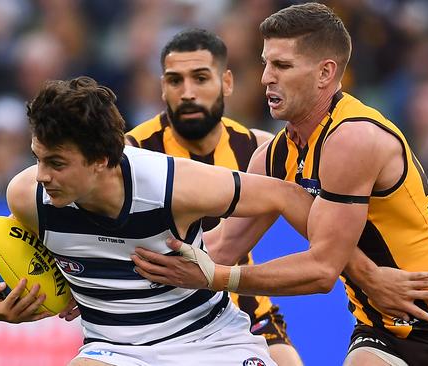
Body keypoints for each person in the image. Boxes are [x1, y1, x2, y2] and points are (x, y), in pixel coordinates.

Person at [131, 3, 428, 366]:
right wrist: (112, 281)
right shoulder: (272, 156)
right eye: (266, 63)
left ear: (325, 73)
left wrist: (219, 278)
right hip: (380, 328)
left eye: (283, 65)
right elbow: (218, 249)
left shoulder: (352, 137)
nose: (267, 77)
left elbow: (321, 269)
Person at [0, 75, 319, 366]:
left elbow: (285, 195)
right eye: (37, 158)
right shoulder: (27, 196)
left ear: (100, 160)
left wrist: (342, 257)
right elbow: (44, 258)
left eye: (56, 163)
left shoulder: (173, 186)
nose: (41, 176)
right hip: (114, 350)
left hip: (211, 341)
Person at [124, 28, 303, 365]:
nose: (187, 92)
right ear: (163, 88)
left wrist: (374, 274)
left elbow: (332, 225)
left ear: (227, 83)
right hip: (159, 324)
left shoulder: (260, 149)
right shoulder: (132, 154)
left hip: (246, 312)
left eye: (201, 78)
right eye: (175, 81)